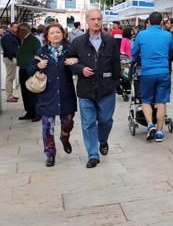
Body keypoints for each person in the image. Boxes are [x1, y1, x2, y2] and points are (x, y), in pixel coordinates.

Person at [67, 9, 120, 168]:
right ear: (87, 21)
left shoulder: (110, 41)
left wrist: (115, 84)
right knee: (88, 123)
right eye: (93, 19)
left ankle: (102, 140)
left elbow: (116, 65)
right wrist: (80, 69)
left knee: (105, 120)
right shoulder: (78, 42)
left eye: (99, 19)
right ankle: (93, 154)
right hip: (85, 90)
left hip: (106, 89)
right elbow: (70, 62)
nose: (96, 22)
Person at [27, 23, 78, 167]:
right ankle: (50, 154)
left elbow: (79, 65)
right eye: (52, 33)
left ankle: (64, 137)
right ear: (47, 37)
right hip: (47, 96)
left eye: (58, 32)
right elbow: (29, 70)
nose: (56, 35)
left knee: (68, 123)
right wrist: (38, 66)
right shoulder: (41, 52)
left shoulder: (70, 50)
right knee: (47, 127)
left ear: (63, 34)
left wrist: (76, 60)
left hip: (66, 94)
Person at [132, 12, 173, 143]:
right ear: (161, 23)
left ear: (149, 22)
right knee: (161, 101)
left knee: (146, 100)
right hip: (163, 72)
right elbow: (171, 53)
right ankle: (160, 132)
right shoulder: (168, 35)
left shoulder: (141, 34)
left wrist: (141, 60)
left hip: (147, 72)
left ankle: (150, 125)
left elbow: (134, 54)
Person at [17, 23, 42, 121]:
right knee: (25, 91)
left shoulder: (33, 40)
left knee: (32, 92)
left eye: (18, 31)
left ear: (23, 31)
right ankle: (29, 111)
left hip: (30, 69)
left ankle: (36, 113)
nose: (17, 33)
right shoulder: (23, 40)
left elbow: (38, 54)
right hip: (23, 69)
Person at [2, 22, 20, 103]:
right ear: (11, 27)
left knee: (11, 78)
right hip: (10, 58)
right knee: (10, 78)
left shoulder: (11, 35)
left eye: (17, 27)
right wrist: (11, 57)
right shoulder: (8, 36)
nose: (16, 29)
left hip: (10, 58)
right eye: (15, 27)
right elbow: (8, 48)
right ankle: (9, 96)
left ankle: (10, 95)